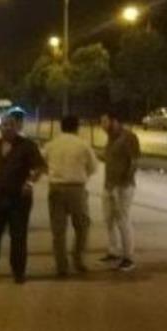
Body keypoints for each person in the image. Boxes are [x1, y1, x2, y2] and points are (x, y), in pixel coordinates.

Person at [0, 110, 46, 284]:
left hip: (18, 198)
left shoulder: (27, 146)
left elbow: (40, 168)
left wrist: (29, 183)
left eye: (11, 125)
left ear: (17, 127)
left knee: (18, 235)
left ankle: (18, 272)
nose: (7, 129)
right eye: (4, 125)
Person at [42, 115, 98, 277]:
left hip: (56, 188)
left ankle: (61, 266)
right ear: (76, 127)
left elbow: (41, 163)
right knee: (82, 226)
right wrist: (81, 174)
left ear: (61, 127)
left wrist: (52, 174)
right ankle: (78, 260)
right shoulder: (83, 145)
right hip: (76, 189)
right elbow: (93, 167)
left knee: (58, 230)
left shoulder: (51, 144)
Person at [100, 110, 140, 272]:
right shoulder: (111, 138)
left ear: (114, 121)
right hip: (108, 185)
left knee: (123, 220)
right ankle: (113, 251)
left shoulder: (129, 137)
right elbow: (111, 158)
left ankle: (129, 257)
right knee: (108, 219)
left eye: (105, 122)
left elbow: (134, 162)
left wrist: (123, 182)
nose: (102, 126)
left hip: (123, 187)